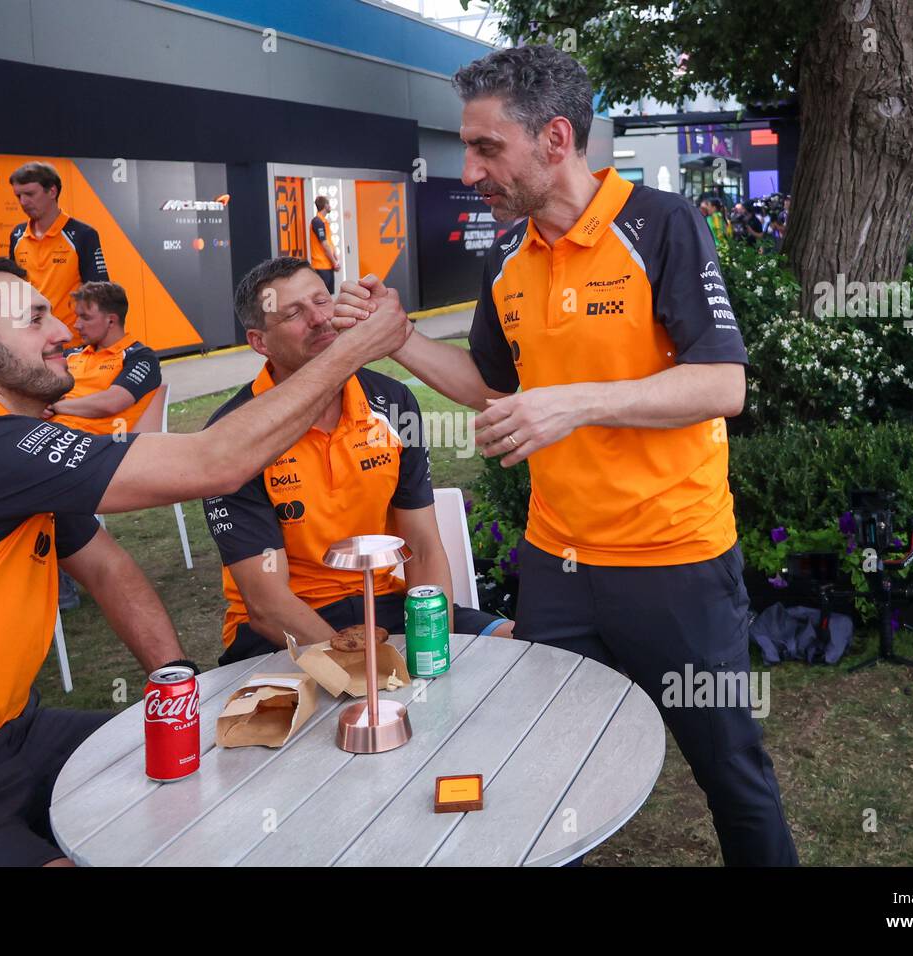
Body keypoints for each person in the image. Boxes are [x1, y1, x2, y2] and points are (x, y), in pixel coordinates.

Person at [0, 253, 409, 867]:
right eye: (33, 321)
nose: (61, 332)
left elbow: (108, 569)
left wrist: (174, 686)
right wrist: (352, 349)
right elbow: (215, 462)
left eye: (52, 314)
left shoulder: (8, 447)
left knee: (226, 772)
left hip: (8, 737)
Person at [334, 45, 797, 866]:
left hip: (676, 562)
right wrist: (398, 336)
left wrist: (573, 403)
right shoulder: (506, 257)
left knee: (730, 772)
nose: (468, 169)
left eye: (485, 147)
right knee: (546, 769)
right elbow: (488, 385)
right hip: (557, 566)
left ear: (554, 139)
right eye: (465, 147)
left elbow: (723, 384)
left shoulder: (660, 224)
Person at [205, 258, 513, 666]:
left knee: (521, 644)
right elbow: (267, 605)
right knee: (341, 711)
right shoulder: (234, 432)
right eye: (293, 313)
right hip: (286, 630)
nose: (319, 320)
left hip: (384, 604)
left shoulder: (392, 402)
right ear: (260, 342)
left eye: (321, 300)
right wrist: (360, 668)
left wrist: (435, 638)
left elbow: (421, 546)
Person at [8, 161, 109, 347]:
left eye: (30, 194)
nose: (23, 202)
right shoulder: (17, 235)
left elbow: (100, 292)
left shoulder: (83, 234)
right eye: (18, 196)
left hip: (73, 344)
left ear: (52, 192)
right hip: (33, 345)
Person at [47, 282, 161, 434]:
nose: (77, 325)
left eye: (85, 318)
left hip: (91, 445)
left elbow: (112, 402)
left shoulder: (141, 357)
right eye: (77, 317)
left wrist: (55, 407)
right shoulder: (71, 354)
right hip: (48, 435)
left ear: (111, 321)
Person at [308, 195, 340, 292]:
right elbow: (325, 245)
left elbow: (330, 242)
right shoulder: (317, 222)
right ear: (325, 205)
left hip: (328, 265)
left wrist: (336, 260)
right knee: (322, 296)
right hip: (320, 266)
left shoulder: (324, 222)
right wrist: (335, 262)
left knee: (328, 296)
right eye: (328, 203)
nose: (330, 206)